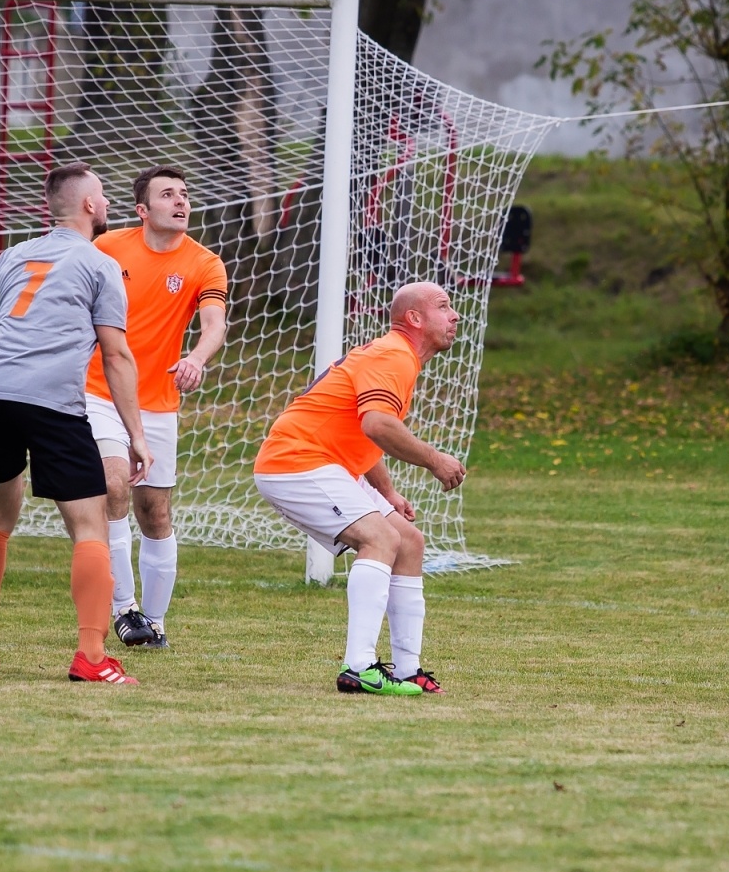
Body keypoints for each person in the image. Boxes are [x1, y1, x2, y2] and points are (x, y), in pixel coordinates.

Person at [0, 162, 153, 685]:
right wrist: (136, 436)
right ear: (89, 205)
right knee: (90, 525)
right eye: (103, 195)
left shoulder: (13, 255)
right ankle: (92, 656)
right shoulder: (99, 264)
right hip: (51, 402)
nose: (108, 203)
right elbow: (116, 355)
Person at [253, 282, 466, 696]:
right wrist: (435, 460)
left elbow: (359, 432)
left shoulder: (396, 355)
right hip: (296, 462)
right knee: (381, 538)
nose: (454, 315)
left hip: (325, 463)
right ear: (414, 318)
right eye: (443, 306)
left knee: (409, 541)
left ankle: (408, 670)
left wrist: (387, 493)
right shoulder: (393, 355)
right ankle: (359, 667)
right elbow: (378, 425)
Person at [85, 167, 228, 649]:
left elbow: (214, 324)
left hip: (158, 402)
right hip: (99, 391)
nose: (181, 201)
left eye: (184, 194)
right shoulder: (107, 248)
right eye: (168, 195)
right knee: (113, 485)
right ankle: (124, 608)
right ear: (142, 210)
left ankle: (155, 622)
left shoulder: (205, 263)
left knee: (155, 512)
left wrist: (196, 358)